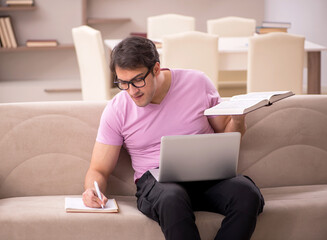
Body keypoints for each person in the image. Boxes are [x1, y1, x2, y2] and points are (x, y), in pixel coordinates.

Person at [82, 36, 264, 240]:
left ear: (156, 69)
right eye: (123, 83)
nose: (132, 91)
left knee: (247, 194)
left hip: (208, 175)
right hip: (158, 184)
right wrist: (91, 190)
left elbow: (226, 134)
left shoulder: (198, 83)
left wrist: (238, 119)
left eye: (138, 80)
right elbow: (98, 169)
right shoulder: (117, 109)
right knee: (172, 198)